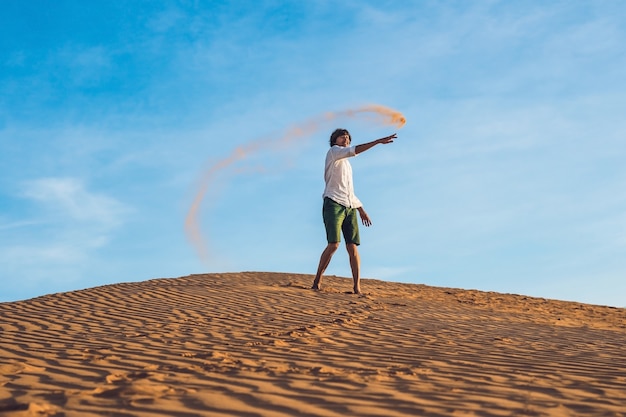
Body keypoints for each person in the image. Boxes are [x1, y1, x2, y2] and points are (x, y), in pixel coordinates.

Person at [312, 128, 397, 294]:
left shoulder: (348, 166)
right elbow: (354, 150)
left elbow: (349, 191)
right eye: (342, 137)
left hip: (350, 206)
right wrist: (378, 141)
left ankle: (357, 287)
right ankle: (317, 281)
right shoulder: (334, 153)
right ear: (334, 140)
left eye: (348, 138)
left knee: (352, 247)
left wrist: (361, 209)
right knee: (334, 244)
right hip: (333, 203)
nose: (345, 139)